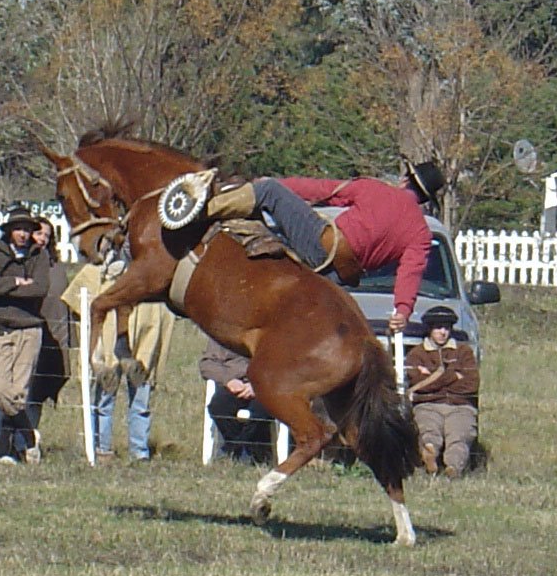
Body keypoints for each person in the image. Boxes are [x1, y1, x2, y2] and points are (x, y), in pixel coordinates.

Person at [200, 160, 445, 332]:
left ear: (405, 180)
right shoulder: (421, 234)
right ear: (425, 199)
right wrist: (402, 311)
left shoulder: (377, 190)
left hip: (321, 245)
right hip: (337, 278)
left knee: (268, 191)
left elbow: (323, 190)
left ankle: (205, 209)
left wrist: (281, 183)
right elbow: (409, 274)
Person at [61, 263, 175, 463]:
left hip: (143, 343)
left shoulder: (152, 268)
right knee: (105, 397)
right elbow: (78, 304)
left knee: (141, 397)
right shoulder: (98, 270)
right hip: (108, 344)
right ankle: (101, 449)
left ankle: (139, 451)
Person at [0, 206, 49, 464]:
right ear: (9, 231)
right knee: (0, 389)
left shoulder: (39, 256)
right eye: (19, 229)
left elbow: (39, 289)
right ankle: (28, 435)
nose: (23, 235)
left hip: (28, 331)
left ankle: (5, 448)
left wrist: (1, 287)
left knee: (19, 391)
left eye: (27, 229)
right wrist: (16, 282)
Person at [404, 306, 480, 479]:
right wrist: (454, 375)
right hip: (428, 404)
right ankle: (429, 457)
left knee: (460, 434)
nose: (443, 332)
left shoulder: (464, 352)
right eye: (438, 328)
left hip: (460, 405)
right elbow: (417, 384)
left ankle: (453, 468)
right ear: (430, 329)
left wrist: (433, 378)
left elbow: (472, 384)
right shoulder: (416, 354)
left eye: (446, 328)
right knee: (428, 431)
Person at [20, 216, 72, 455]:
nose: (41, 239)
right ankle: (9, 439)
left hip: (50, 339)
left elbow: (62, 304)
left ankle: (29, 441)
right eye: (38, 233)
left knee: (37, 391)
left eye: (46, 236)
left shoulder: (56, 269)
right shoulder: (18, 263)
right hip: (21, 333)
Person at [199, 337, 273, 463]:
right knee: (218, 407)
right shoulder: (223, 332)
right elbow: (207, 363)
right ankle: (243, 450)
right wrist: (228, 380)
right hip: (233, 384)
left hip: (264, 386)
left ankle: (236, 450)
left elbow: (285, 365)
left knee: (260, 412)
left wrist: (258, 384)